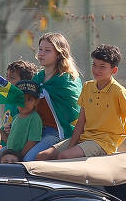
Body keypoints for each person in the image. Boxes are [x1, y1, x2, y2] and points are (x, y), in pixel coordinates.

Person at [36, 44, 126, 160]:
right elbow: (81, 122)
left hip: (103, 143)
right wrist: (71, 145)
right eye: (94, 65)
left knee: (64, 156)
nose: (96, 70)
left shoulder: (118, 91)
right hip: (85, 138)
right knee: (42, 156)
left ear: (114, 70)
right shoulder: (87, 87)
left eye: (102, 66)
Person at [22, 33, 82, 161]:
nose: (41, 53)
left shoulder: (66, 79)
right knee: (6, 154)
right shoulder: (37, 78)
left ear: (60, 54)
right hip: (36, 132)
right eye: (40, 49)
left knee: (29, 159)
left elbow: (75, 113)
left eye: (47, 50)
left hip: (59, 134)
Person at [0, 60, 38, 145]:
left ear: (24, 82)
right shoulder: (9, 100)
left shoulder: (25, 104)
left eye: (12, 78)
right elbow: (6, 126)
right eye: (6, 76)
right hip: (3, 145)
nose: (7, 80)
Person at [4, 80, 43, 159]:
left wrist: (20, 156)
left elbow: (33, 141)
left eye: (29, 99)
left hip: (21, 156)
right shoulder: (15, 118)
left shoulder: (35, 118)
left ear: (36, 102)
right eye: (21, 99)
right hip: (11, 155)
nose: (24, 103)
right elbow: (10, 140)